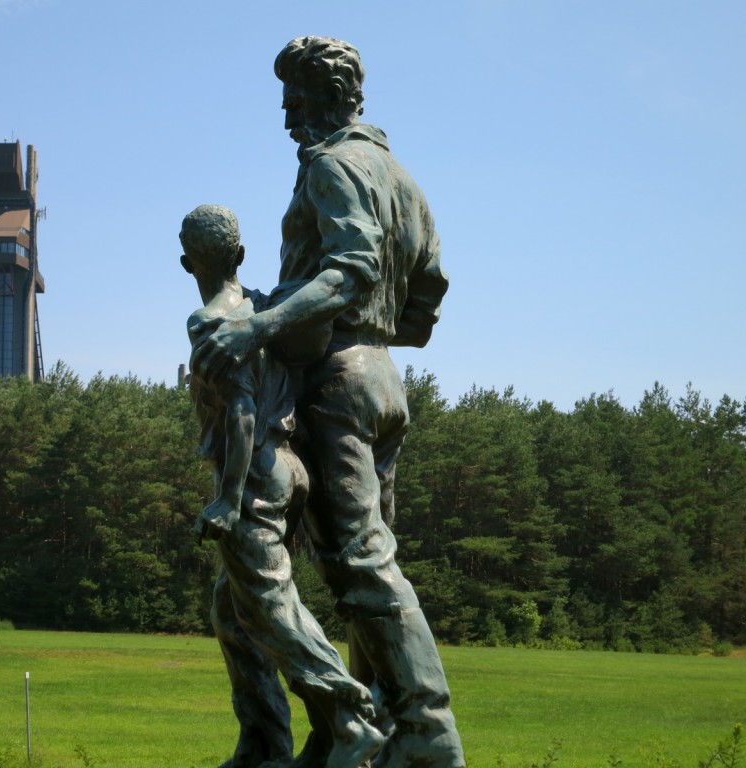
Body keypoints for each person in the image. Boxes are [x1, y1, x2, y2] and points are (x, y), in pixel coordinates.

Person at [192, 38, 466, 768]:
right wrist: (371, 334)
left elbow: (352, 268)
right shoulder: (400, 178)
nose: (289, 121)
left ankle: (427, 735)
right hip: (382, 381)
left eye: (295, 103)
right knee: (303, 580)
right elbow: (426, 301)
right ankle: (305, 736)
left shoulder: (330, 165)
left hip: (336, 384)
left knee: (361, 566)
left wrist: (265, 325)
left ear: (326, 97)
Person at [180, 204, 385, 768]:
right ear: (240, 257)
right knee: (233, 609)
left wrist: (226, 494)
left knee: (271, 608)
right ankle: (265, 741)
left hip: (252, 475)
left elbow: (241, 408)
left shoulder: (209, 323)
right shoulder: (268, 308)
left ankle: (350, 718)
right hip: (291, 470)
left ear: (184, 263)